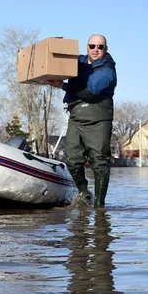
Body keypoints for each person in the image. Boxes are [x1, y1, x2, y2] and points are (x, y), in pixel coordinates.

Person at [45, 34, 117, 209]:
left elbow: (89, 92)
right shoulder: (79, 61)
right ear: (87, 47)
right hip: (76, 119)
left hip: (98, 121)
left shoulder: (107, 71)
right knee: (71, 159)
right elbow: (55, 61)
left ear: (105, 49)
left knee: (99, 162)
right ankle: (84, 192)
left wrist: (62, 85)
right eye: (92, 46)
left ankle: (99, 206)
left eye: (100, 47)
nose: (95, 50)